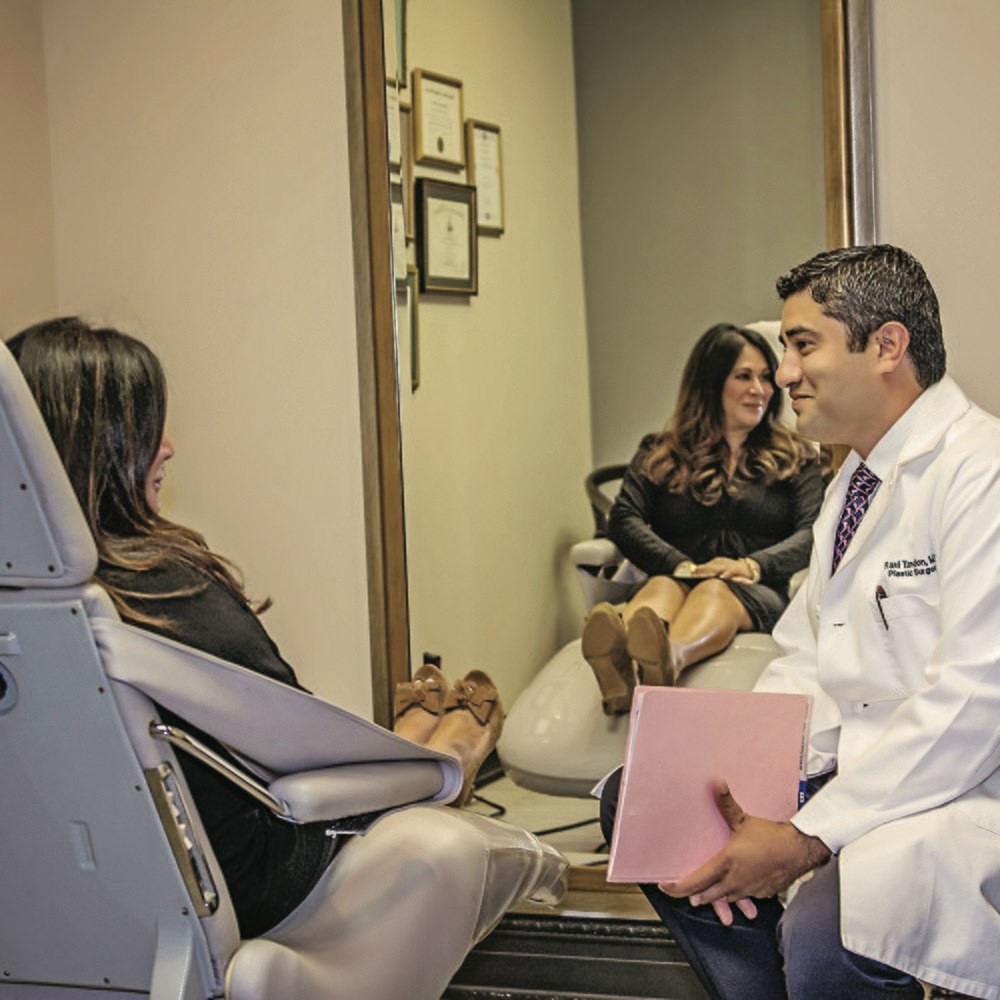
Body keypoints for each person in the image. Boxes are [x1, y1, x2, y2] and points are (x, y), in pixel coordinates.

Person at [7, 317, 504, 939]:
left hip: (70, 889)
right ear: (100, 445)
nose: (167, 447)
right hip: (240, 876)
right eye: (147, 429)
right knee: (392, 767)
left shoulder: (26, 604)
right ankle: (441, 757)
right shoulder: (165, 588)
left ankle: (406, 741)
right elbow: (292, 736)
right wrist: (429, 772)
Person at [602, 244, 1000, 999]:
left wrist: (804, 836)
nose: (782, 374)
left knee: (833, 928)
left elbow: (978, 700)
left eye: (800, 345)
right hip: (850, 769)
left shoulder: (982, 473)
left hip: (957, 787)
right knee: (646, 802)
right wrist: (738, 772)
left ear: (887, 346)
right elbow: (805, 656)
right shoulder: (856, 480)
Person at [582, 323, 824, 713]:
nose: (759, 389)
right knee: (659, 589)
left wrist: (752, 564)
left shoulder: (797, 457)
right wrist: (682, 565)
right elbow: (624, 518)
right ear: (709, 383)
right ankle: (625, 660)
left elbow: (815, 532)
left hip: (753, 590)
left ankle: (664, 663)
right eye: (743, 376)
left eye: (765, 378)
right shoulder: (660, 451)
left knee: (714, 590)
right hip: (678, 579)